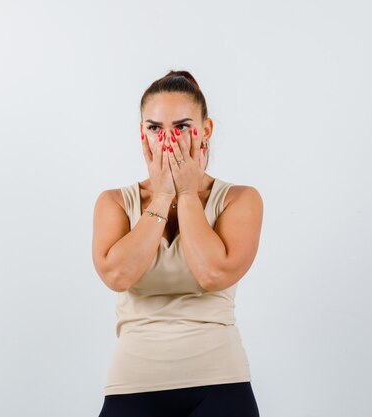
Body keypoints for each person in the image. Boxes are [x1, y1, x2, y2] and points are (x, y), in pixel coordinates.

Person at [92, 70, 264, 417]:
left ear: (206, 131)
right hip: (133, 384)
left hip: (221, 383)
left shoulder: (240, 200)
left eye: (182, 126)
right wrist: (163, 194)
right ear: (143, 134)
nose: (167, 141)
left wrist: (186, 193)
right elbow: (117, 276)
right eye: (155, 128)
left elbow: (213, 273)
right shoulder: (113, 202)